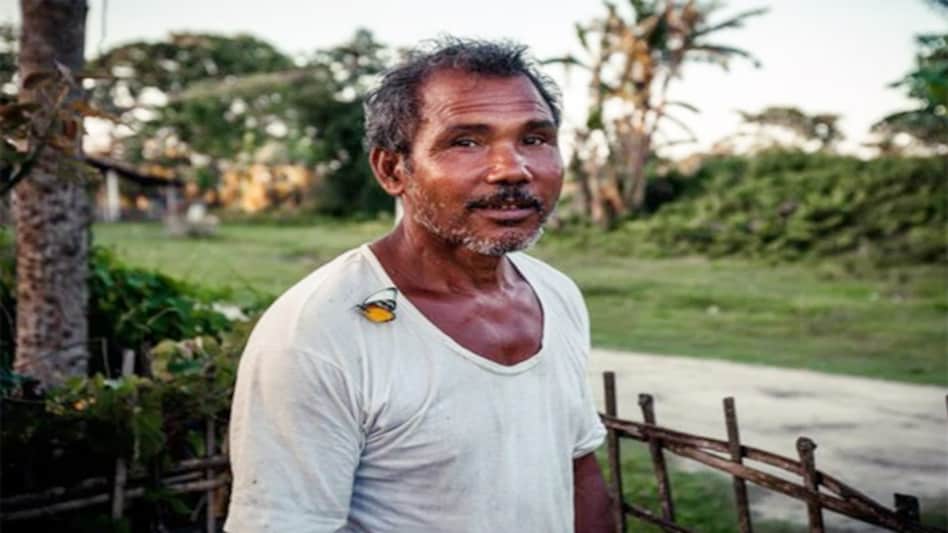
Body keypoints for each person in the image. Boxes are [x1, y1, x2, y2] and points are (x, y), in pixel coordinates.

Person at [225, 37, 614, 532]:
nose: (512, 169)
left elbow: (578, 468)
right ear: (393, 170)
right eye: (466, 142)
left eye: (535, 138)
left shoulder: (556, 294)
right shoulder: (317, 333)